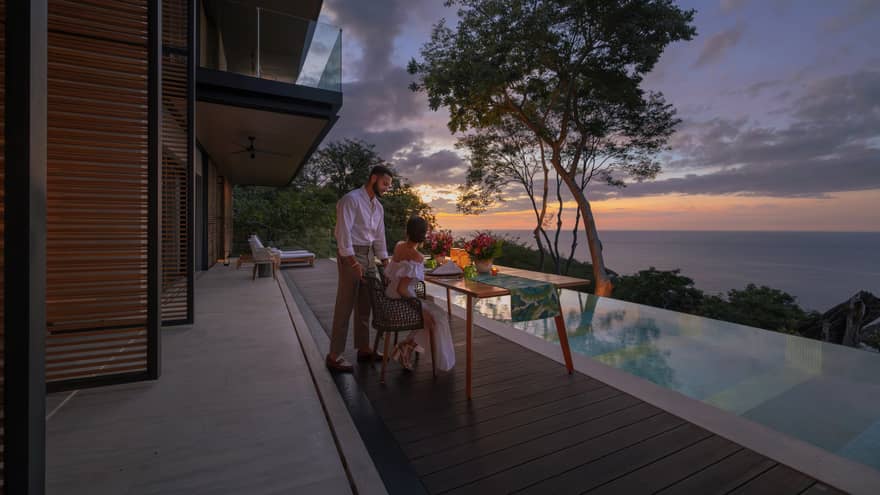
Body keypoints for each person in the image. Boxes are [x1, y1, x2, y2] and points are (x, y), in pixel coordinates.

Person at [326, 165, 393, 372]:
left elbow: (379, 237)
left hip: (370, 255)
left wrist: (386, 262)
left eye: (389, 185)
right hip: (350, 253)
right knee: (345, 304)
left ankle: (363, 349)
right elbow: (342, 233)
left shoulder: (378, 207)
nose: (387, 188)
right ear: (373, 178)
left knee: (366, 303)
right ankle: (334, 355)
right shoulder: (351, 200)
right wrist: (352, 262)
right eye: (385, 183)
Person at [384, 216, 456, 372]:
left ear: (407, 231)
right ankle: (406, 346)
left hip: (388, 298)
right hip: (400, 302)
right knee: (436, 317)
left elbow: (397, 280)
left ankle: (407, 347)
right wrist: (421, 310)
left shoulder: (399, 246)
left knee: (432, 308)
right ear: (424, 234)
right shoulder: (417, 257)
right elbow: (402, 290)